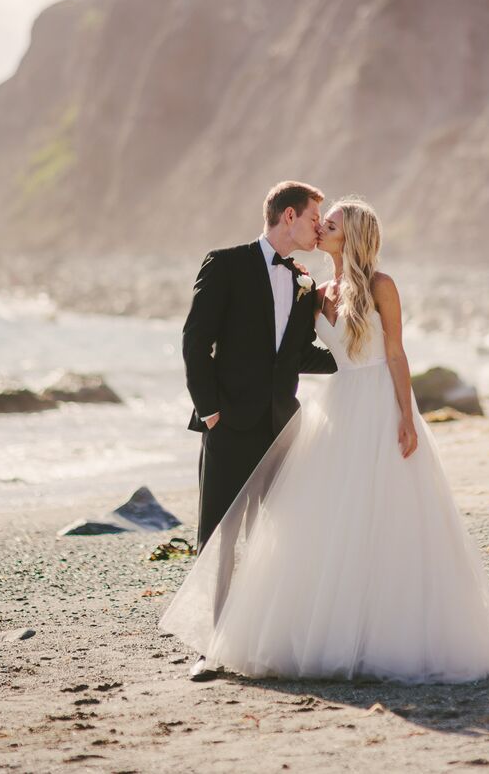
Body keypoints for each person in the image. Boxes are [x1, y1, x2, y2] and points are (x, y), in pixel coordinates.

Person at [162, 197, 489, 683]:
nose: (320, 229)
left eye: (331, 223)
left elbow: (394, 354)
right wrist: (224, 395)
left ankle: (384, 635)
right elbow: (297, 351)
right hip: (336, 407)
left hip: (379, 405)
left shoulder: (382, 286)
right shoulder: (316, 289)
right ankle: (258, 639)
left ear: (354, 234)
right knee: (326, 525)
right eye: (318, 221)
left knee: (388, 520)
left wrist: (407, 415)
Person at [180, 180, 337, 678]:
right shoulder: (224, 263)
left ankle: (272, 640)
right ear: (288, 216)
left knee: (281, 535)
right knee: (219, 539)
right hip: (228, 426)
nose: (320, 226)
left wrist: (358, 360)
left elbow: (298, 355)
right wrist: (209, 412)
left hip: (281, 427)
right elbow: (195, 340)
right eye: (316, 217)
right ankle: (212, 648)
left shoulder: (304, 281)